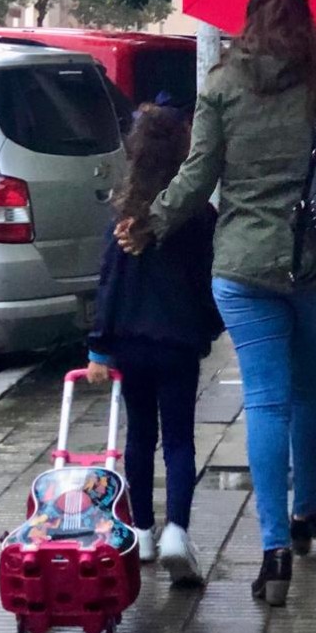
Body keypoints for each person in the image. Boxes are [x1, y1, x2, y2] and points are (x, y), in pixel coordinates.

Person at [117, 0, 316, 607]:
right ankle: (306, 510)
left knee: (265, 401)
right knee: (312, 390)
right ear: (306, 22)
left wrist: (153, 219)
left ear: (248, 23)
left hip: (245, 268)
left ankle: (274, 550)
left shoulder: (222, 86)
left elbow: (197, 176)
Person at [87, 103, 220, 587]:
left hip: (131, 344)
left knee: (140, 438)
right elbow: (210, 278)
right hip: (179, 342)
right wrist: (210, 328)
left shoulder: (124, 216)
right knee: (180, 439)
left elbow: (109, 284)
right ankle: (177, 532)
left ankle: (141, 531)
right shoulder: (199, 215)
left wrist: (99, 347)